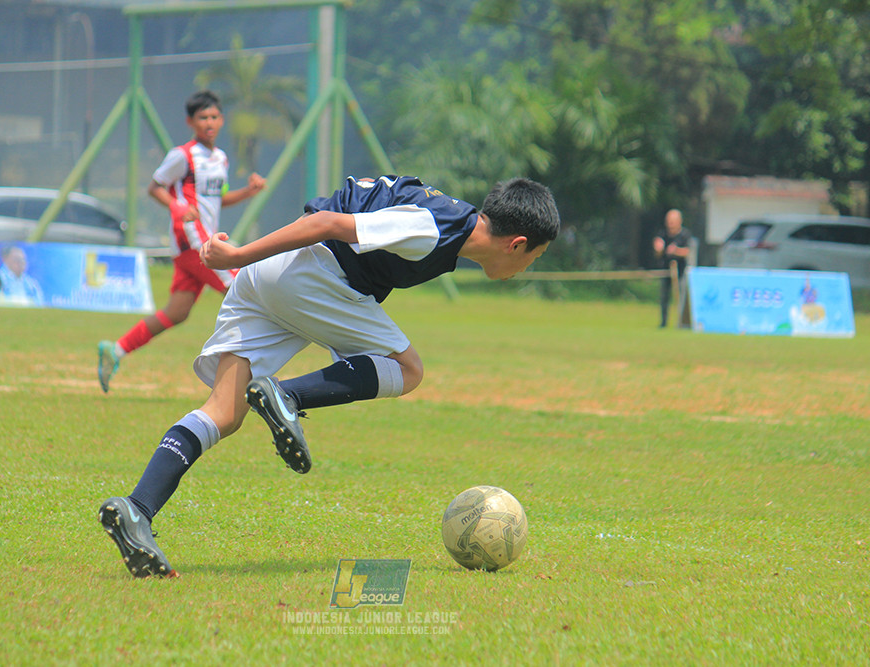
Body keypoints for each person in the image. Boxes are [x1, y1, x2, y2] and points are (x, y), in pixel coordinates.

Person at [98, 174, 560, 578]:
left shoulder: (446, 220)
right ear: (517, 243)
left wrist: (246, 261)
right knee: (409, 369)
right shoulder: (435, 225)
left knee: (224, 411)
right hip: (311, 274)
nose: (527, 267)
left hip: (269, 277)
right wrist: (236, 253)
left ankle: (137, 508)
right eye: (534, 257)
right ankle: (287, 396)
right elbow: (325, 223)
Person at [97, 90, 266, 392]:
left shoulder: (220, 158)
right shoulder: (183, 155)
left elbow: (217, 198)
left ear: (222, 120)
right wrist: (177, 206)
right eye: (203, 117)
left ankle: (116, 350)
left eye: (214, 117)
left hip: (202, 240)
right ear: (190, 122)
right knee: (241, 288)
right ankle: (251, 371)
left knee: (178, 311)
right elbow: (155, 187)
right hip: (192, 240)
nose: (209, 123)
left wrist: (248, 192)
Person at [652, 208, 692, 328]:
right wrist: (658, 249)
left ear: (679, 221)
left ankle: (681, 322)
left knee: (681, 297)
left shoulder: (685, 235)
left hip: (680, 271)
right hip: (666, 270)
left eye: (672, 221)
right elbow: (658, 253)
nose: (670, 224)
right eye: (668, 221)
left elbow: (688, 252)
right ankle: (663, 322)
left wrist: (676, 251)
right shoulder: (663, 234)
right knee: (664, 297)